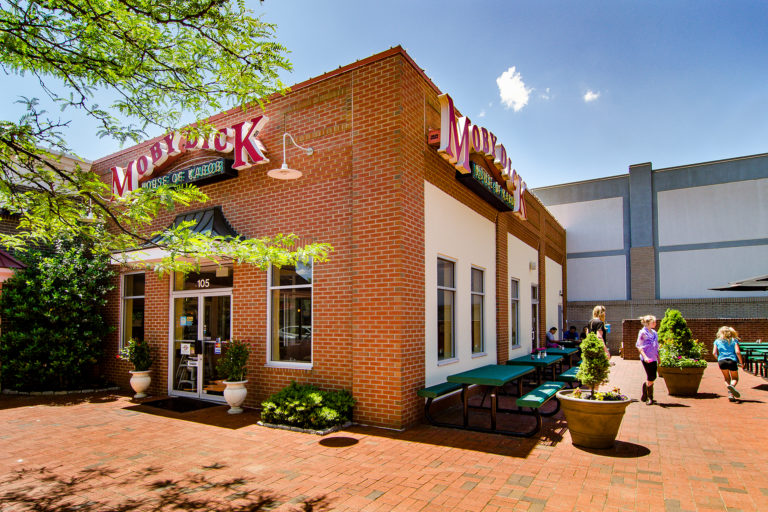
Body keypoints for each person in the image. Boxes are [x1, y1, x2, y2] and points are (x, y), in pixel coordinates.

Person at [713, 326, 744, 402]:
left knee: (727, 378)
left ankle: (730, 392)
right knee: (735, 378)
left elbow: (714, 353)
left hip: (722, 360)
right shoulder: (734, 340)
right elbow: (737, 352)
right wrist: (741, 362)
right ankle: (731, 388)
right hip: (732, 360)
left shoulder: (717, 341)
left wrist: (719, 359)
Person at [635, 315, 659, 405]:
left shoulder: (654, 333)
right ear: (648, 323)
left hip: (654, 357)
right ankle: (650, 397)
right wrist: (645, 357)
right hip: (647, 358)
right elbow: (639, 346)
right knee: (651, 376)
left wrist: (658, 357)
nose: (655, 324)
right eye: (653, 322)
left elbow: (656, 346)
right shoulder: (642, 333)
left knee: (653, 377)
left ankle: (645, 389)